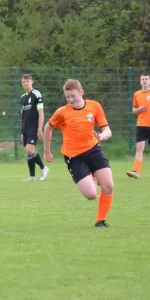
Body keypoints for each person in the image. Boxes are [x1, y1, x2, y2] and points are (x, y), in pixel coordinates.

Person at [43, 79, 115, 228]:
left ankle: (100, 221)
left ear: (81, 92)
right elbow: (47, 128)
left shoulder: (94, 106)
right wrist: (47, 151)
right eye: (67, 97)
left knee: (108, 186)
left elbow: (107, 130)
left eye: (73, 96)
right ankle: (89, 174)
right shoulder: (62, 112)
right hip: (74, 156)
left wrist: (102, 136)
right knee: (91, 195)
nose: (70, 100)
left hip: (94, 150)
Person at [126, 73, 150, 179]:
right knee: (139, 149)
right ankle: (136, 171)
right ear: (140, 81)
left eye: (146, 79)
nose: (144, 81)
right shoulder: (137, 94)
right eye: (142, 79)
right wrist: (140, 109)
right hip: (141, 125)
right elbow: (134, 110)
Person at [20, 74, 50, 181]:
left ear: (31, 82)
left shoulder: (36, 94)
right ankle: (32, 176)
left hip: (34, 127)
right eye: (23, 82)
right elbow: (23, 116)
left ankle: (44, 168)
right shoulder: (23, 97)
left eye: (27, 81)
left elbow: (41, 113)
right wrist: (22, 132)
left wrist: (40, 129)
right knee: (29, 152)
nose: (25, 83)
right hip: (26, 128)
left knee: (30, 149)